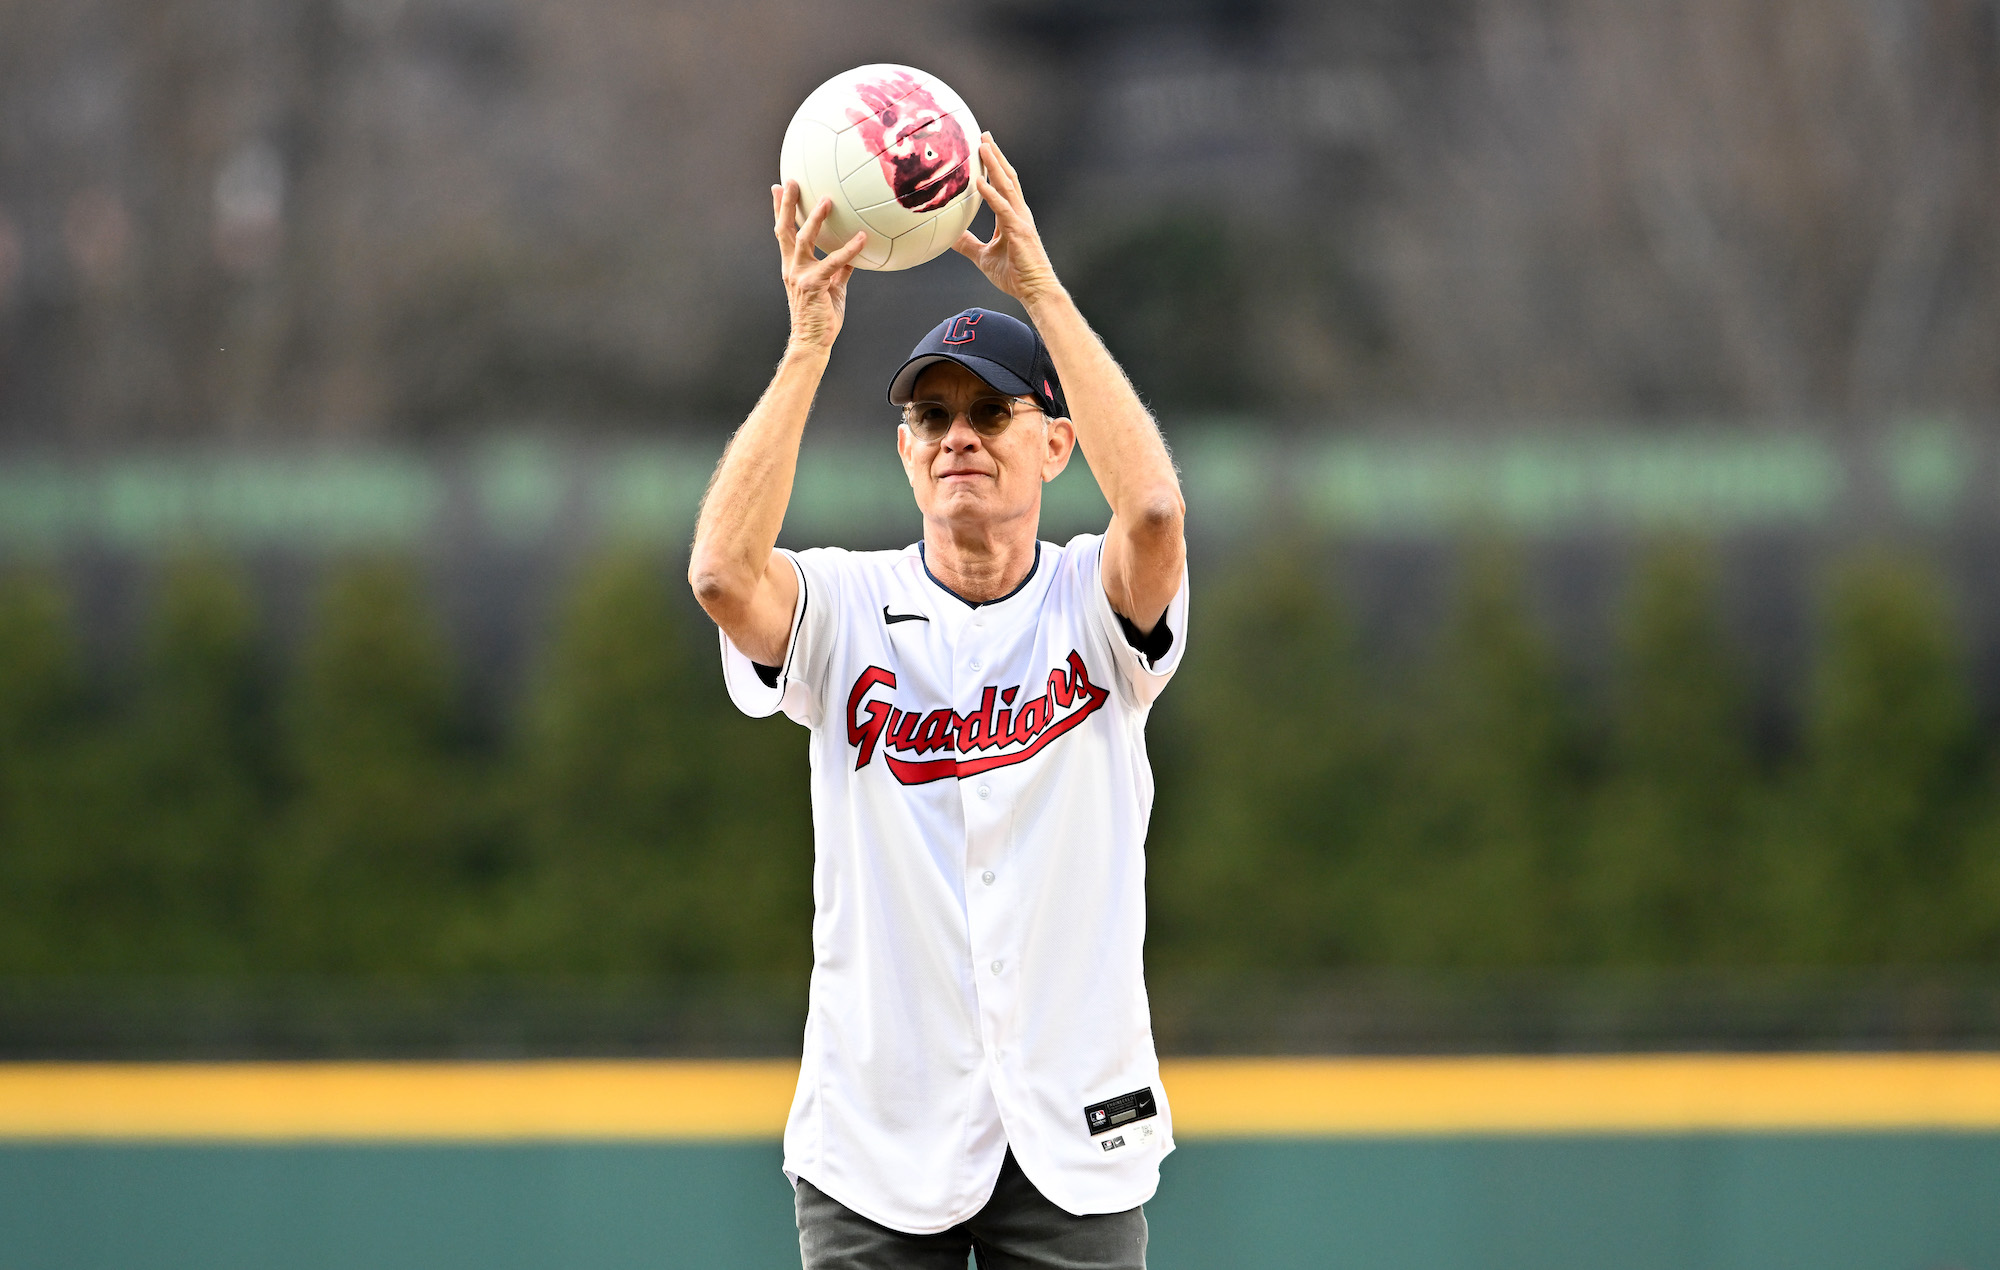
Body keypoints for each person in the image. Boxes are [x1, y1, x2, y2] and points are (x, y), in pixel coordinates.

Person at [688, 133, 1187, 1270]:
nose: (957, 434)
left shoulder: (1088, 606)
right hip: (876, 1142)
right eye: (931, 416)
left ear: (1055, 442)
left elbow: (1151, 509)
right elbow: (720, 575)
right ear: (906, 452)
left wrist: (1039, 291)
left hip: (1071, 1132)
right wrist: (812, 341)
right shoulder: (842, 606)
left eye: (990, 411)